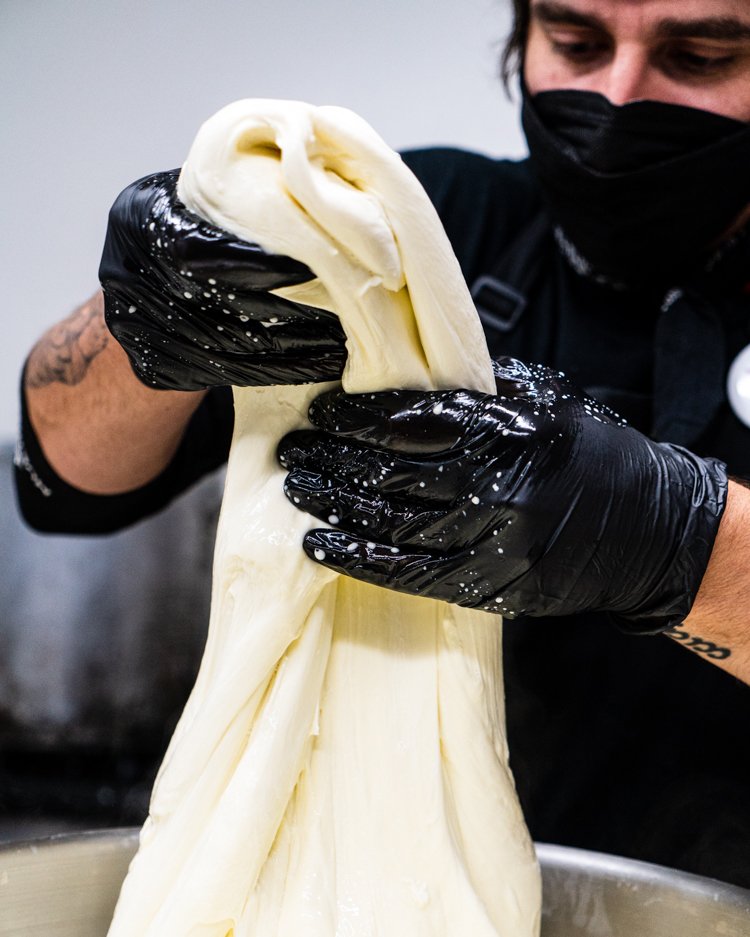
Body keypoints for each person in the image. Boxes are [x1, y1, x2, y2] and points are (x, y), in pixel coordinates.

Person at [14, 0, 750, 886]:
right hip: (371, 886)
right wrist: (141, 319)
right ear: (520, 38)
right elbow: (66, 479)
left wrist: (671, 541)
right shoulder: (417, 235)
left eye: (701, 54)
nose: (617, 96)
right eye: (576, 43)